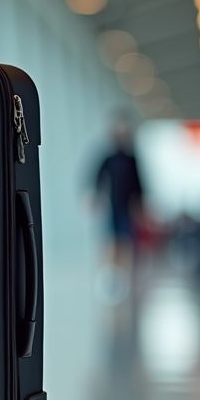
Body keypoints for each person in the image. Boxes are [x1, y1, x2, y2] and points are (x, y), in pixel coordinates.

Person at [90, 115, 146, 300]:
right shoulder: (108, 158)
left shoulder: (131, 159)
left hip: (126, 208)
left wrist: (140, 207)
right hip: (111, 207)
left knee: (125, 243)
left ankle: (125, 280)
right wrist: (96, 198)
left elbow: (139, 185)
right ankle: (109, 279)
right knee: (110, 243)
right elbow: (97, 178)